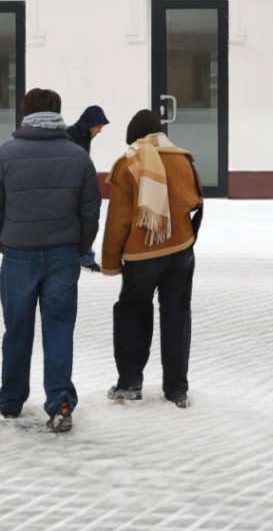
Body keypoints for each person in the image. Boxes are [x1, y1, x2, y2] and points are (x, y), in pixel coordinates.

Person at [0, 87, 100, 433]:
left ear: (25, 112)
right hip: (64, 255)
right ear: (58, 112)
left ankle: (11, 401)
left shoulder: (5, 155)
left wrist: (5, 243)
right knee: (59, 330)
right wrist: (80, 248)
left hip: (19, 256)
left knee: (17, 330)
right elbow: (90, 211)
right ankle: (60, 403)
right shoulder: (78, 156)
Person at [100, 108, 203, 407]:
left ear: (133, 137)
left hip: (141, 255)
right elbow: (195, 201)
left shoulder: (128, 163)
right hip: (180, 250)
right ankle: (177, 390)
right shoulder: (183, 159)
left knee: (132, 312)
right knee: (177, 316)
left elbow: (118, 220)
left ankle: (129, 383)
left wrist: (110, 262)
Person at [67, 106, 111, 271]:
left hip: (80, 184)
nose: (100, 131)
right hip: (72, 186)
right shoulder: (72, 135)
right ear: (90, 124)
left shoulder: (84, 136)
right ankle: (83, 256)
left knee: (86, 219)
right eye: (99, 126)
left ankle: (84, 255)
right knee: (81, 219)